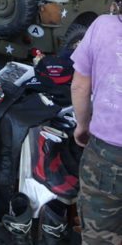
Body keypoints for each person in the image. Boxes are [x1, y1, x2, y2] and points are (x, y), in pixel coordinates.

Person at [70, 14, 122, 244]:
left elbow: (80, 85)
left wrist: (82, 124)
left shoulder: (103, 25)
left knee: (100, 236)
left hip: (106, 154)